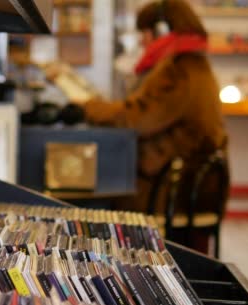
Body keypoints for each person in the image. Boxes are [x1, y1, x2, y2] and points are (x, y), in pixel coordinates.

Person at [48, 0, 229, 254]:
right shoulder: (193, 64)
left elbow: (137, 118)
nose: (143, 42)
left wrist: (87, 107)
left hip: (171, 190)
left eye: (143, 33)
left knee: (83, 201)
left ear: (162, 30)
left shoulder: (178, 70)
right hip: (183, 184)